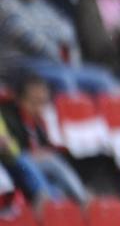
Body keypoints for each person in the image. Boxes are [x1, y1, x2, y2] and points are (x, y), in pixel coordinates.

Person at [0, 0, 120, 95]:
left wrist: (45, 32)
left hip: (53, 65)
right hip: (20, 67)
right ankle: (72, 116)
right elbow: (30, 40)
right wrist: (55, 44)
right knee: (65, 81)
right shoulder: (6, 6)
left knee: (102, 77)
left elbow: (68, 30)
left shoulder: (41, 4)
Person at [0, 75, 90, 204]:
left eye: (43, 102)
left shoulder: (42, 120)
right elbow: (12, 150)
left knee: (55, 166)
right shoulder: (8, 115)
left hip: (34, 165)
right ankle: (53, 200)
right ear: (20, 99)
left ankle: (67, 201)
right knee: (38, 161)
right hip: (11, 163)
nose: (39, 108)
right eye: (34, 102)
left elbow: (49, 145)